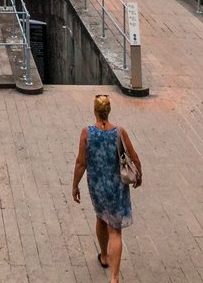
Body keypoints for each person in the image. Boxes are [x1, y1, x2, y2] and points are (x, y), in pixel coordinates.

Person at [72, 93, 142, 282]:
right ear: (108, 111)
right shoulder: (120, 132)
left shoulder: (87, 133)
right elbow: (134, 156)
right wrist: (139, 175)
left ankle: (104, 256)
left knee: (101, 219)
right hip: (117, 187)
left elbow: (81, 163)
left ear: (95, 111)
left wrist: (75, 185)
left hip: (97, 186)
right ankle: (114, 276)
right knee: (115, 230)